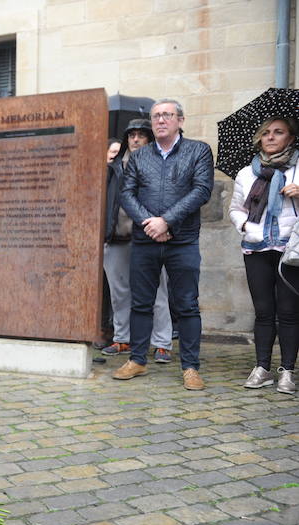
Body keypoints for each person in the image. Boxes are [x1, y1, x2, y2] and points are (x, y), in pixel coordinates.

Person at [114, 99, 214, 390]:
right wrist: (151, 223)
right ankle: (137, 360)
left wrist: (167, 221)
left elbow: (202, 190)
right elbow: (126, 194)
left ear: (180, 120)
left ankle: (191, 367)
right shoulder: (139, 156)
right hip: (145, 240)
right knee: (141, 302)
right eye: (156, 116)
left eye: (167, 115)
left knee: (187, 304)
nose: (160, 120)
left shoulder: (198, 150)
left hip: (182, 240)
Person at [228, 117, 299, 394]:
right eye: (266, 133)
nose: (270, 137)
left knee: (289, 312)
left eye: (278, 132)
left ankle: (288, 371)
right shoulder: (248, 172)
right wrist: (246, 227)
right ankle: (262, 367)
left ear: (291, 138)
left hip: (290, 249)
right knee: (263, 311)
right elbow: (235, 209)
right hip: (256, 248)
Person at [102, 119, 174, 364]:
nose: (135, 139)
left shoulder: (161, 166)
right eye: (131, 135)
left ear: (149, 139)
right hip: (116, 236)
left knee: (157, 292)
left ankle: (162, 343)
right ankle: (123, 337)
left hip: (150, 237)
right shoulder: (113, 168)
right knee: (119, 292)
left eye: (141, 135)